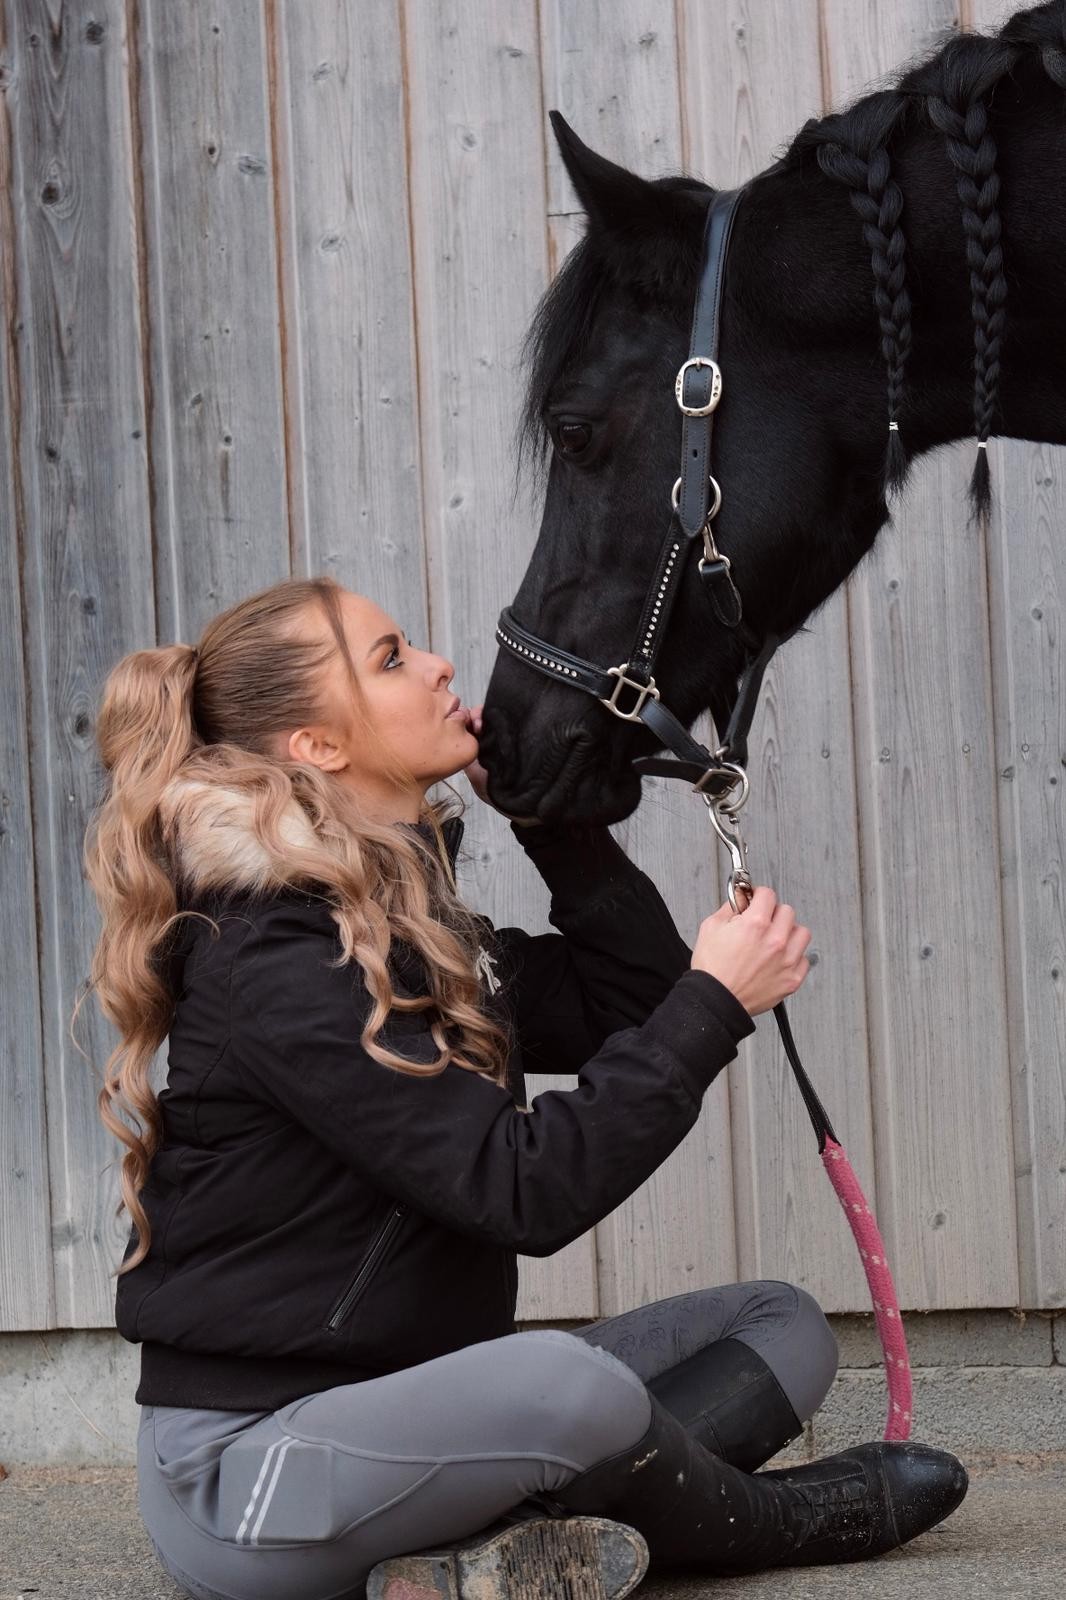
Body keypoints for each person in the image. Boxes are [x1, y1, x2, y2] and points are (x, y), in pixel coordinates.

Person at [84, 574, 967, 1600]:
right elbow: (522, 1190)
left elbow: (629, 998)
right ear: (318, 746)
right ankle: (779, 1520)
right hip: (250, 1479)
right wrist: (715, 1002)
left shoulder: (406, 931)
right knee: (559, 1384)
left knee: (779, 1325)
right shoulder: (277, 958)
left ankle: (474, 1566)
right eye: (391, 655)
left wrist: (554, 823)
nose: (438, 664)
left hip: (429, 1411)